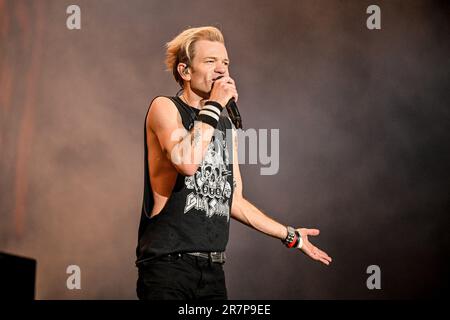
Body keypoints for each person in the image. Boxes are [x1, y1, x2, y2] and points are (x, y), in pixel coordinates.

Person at [135, 26, 332, 300]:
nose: (221, 70)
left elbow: (233, 200)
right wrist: (215, 104)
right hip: (169, 267)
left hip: (213, 271)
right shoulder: (165, 108)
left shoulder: (224, 126)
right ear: (185, 71)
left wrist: (290, 235)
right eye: (210, 61)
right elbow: (187, 163)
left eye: (225, 62)